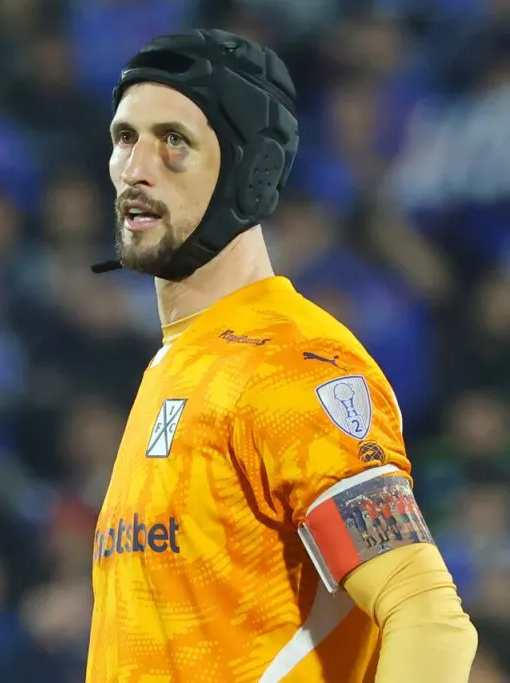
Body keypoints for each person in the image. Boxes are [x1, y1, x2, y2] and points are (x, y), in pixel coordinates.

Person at [86, 30, 477, 682]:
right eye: (125, 138)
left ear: (250, 169)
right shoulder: (175, 364)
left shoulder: (292, 363)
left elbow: (427, 616)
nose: (135, 168)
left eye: (173, 141)